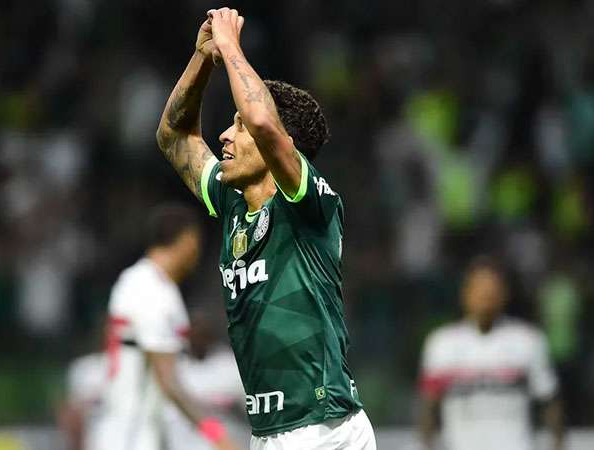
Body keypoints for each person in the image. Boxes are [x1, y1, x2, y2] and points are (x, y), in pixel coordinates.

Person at [156, 7, 376, 450]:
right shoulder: (231, 200)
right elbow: (173, 137)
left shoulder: (311, 204)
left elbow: (261, 120)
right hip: (269, 435)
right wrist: (203, 59)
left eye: (236, 126)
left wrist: (232, 45)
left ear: (281, 145)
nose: (224, 136)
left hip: (322, 431)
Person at [86, 204, 239, 450]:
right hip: (132, 435)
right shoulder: (152, 291)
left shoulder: (138, 281)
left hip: (124, 428)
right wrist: (218, 436)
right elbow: (169, 381)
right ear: (188, 240)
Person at [417, 256, 565, 450]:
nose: (486, 296)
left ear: (505, 294)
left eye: (492, 289)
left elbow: (549, 402)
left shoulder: (528, 341)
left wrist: (558, 444)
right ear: (465, 293)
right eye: (479, 288)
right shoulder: (441, 344)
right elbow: (428, 407)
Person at [163, 308, 248, 450]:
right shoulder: (175, 369)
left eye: (202, 331)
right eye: (193, 330)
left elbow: (249, 408)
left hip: (231, 441)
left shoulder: (228, 364)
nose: (198, 336)